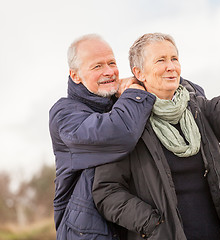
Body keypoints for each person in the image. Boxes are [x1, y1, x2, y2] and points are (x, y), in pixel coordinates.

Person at [92, 33, 220, 240]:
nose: (171, 66)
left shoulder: (196, 109)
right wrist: (151, 223)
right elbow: (106, 192)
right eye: (160, 60)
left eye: (174, 58)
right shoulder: (126, 123)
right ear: (139, 72)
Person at [49, 34, 156, 239]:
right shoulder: (63, 115)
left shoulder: (120, 104)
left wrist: (149, 81)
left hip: (131, 227)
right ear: (75, 76)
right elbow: (120, 134)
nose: (109, 72)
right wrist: (134, 91)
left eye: (112, 63)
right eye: (97, 66)